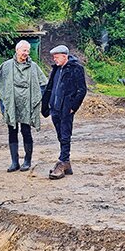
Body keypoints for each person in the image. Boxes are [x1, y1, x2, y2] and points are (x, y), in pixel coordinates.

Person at [0, 40, 48, 172]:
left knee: (26, 131)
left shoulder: (34, 67)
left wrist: (38, 98)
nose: (26, 53)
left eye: (28, 51)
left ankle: (27, 161)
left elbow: (43, 85)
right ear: (17, 50)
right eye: (24, 50)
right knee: (12, 131)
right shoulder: (6, 66)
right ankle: (14, 162)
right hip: (11, 105)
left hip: (27, 106)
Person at [40, 45, 87, 179]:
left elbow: (82, 90)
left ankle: (63, 161)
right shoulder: (56, 69)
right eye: (53, 57)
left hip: (66, 108)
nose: (54, 59)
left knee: (65, 135)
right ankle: (66, 163)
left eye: (56, 56)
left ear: (64, 56)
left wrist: (73, 106)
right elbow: (50, 88)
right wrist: (46, 105)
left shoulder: (76, 68)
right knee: (61, 135)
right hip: (55, 108)